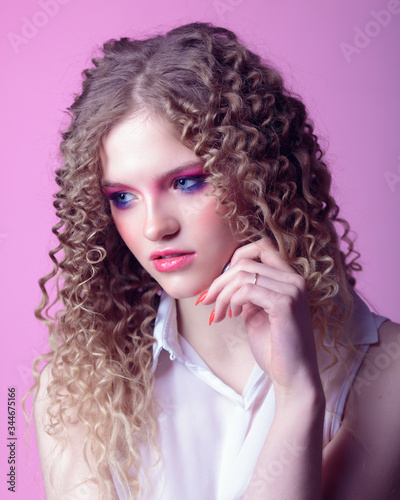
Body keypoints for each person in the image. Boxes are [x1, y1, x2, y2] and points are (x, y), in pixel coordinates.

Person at [29, 21, 400, 499]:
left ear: (258, 176)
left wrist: (297, 397)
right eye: (123, 196)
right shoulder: (75, 385)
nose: (153, 227)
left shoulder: (385, 367)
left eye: (186, 182)